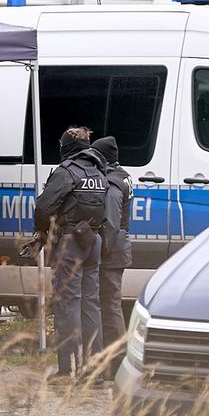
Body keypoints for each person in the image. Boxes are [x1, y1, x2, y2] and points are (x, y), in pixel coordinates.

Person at [33, 125, 108, 376]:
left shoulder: (67, 172)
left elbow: (43, 208)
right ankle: (94, 367)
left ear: (67, 148)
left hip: (70, 242)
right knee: (91, 304)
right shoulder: (99, 170)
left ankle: (67, 369)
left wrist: (43, 232)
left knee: (67, 304)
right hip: (93, 240)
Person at [92, 135, 134, 353]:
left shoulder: (112, 185)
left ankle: (116, 360)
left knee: (109, 306)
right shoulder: (122, 176)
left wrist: (101, 251)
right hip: (119, 249)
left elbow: (109, 223)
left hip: (111, 252)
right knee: (111, 305)